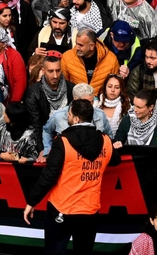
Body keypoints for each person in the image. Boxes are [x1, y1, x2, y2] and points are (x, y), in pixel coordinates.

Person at [24, 98, 114, 254]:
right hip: (89, 212)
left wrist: (31, 202)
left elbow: (48, 176)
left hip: (62, 210)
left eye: (69, 114)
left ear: (76, 118)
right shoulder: (106, 141)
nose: (67, 116)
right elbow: (116, 159)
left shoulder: (62, 142)